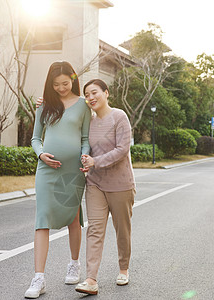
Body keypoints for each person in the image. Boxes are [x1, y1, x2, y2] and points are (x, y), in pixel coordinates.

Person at [24, 61, 91, 299]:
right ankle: (38, 277)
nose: (61, 88)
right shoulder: (45, 105)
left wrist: (85, 157)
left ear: (73, 79)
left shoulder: (83, 105)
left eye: (65, 83)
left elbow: (85, 138)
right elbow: (35, 139)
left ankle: (74, 264)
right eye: (56, 84)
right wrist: (41, 154)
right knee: (42, 219)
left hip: (73, 170)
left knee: (73, 216)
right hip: (46, 170)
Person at [75, 79, 136, 295]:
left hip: (120, 184)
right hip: (95, 184)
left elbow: (122, 149)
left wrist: (95, 161)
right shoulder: (88, 122)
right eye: (87, 94)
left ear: (106, 93)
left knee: (122, 230)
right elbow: (85, 147)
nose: (91, 97)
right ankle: (91, 279)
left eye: (95, 92)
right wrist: (86, 163)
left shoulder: (119, 117)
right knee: (95, 230)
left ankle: (123, 269)